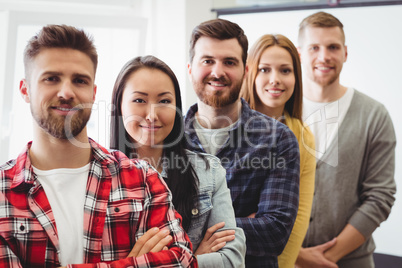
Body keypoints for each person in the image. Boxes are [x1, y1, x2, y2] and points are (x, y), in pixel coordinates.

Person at [0, 24, 197, 268]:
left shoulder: (142, 179)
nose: (66, 92)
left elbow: (183, 262)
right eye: (51, 78)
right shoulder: (3, 191)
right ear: (25, 89)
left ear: (93, 92)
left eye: (79, 80)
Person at [109, 55, 246, 268]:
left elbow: (232, 260)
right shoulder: (97, 175)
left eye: (164, 101)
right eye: (139, 100)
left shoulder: (207, 172)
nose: (152, 115)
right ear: (119, 106)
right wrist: (190, 258)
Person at [184, 18, 301, 267]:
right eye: (207, 61)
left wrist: (190, 225)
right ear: (190, 68)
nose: (218, 72)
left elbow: (275, 233)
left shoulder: (278, 139)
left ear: (245, 70)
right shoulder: (167, 139)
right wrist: (239, 222)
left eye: (229, 62)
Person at [295, 11, 396, 268]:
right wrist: (300, 257)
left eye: (333, 47)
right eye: (314, 47)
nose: (324, 56)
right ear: (299, 54)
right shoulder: (279, 112)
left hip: (351, 262)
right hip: (285, 261)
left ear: (345, 53)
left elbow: (380, 196)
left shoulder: (374, 115)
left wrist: (326, 259)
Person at [240, 34, 316, 268]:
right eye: (264, 70)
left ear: (296, 77)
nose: (275, 79)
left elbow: (296, 219)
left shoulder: (303, 136)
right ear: (249, 73)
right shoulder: (228, 125)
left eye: (285, 70)